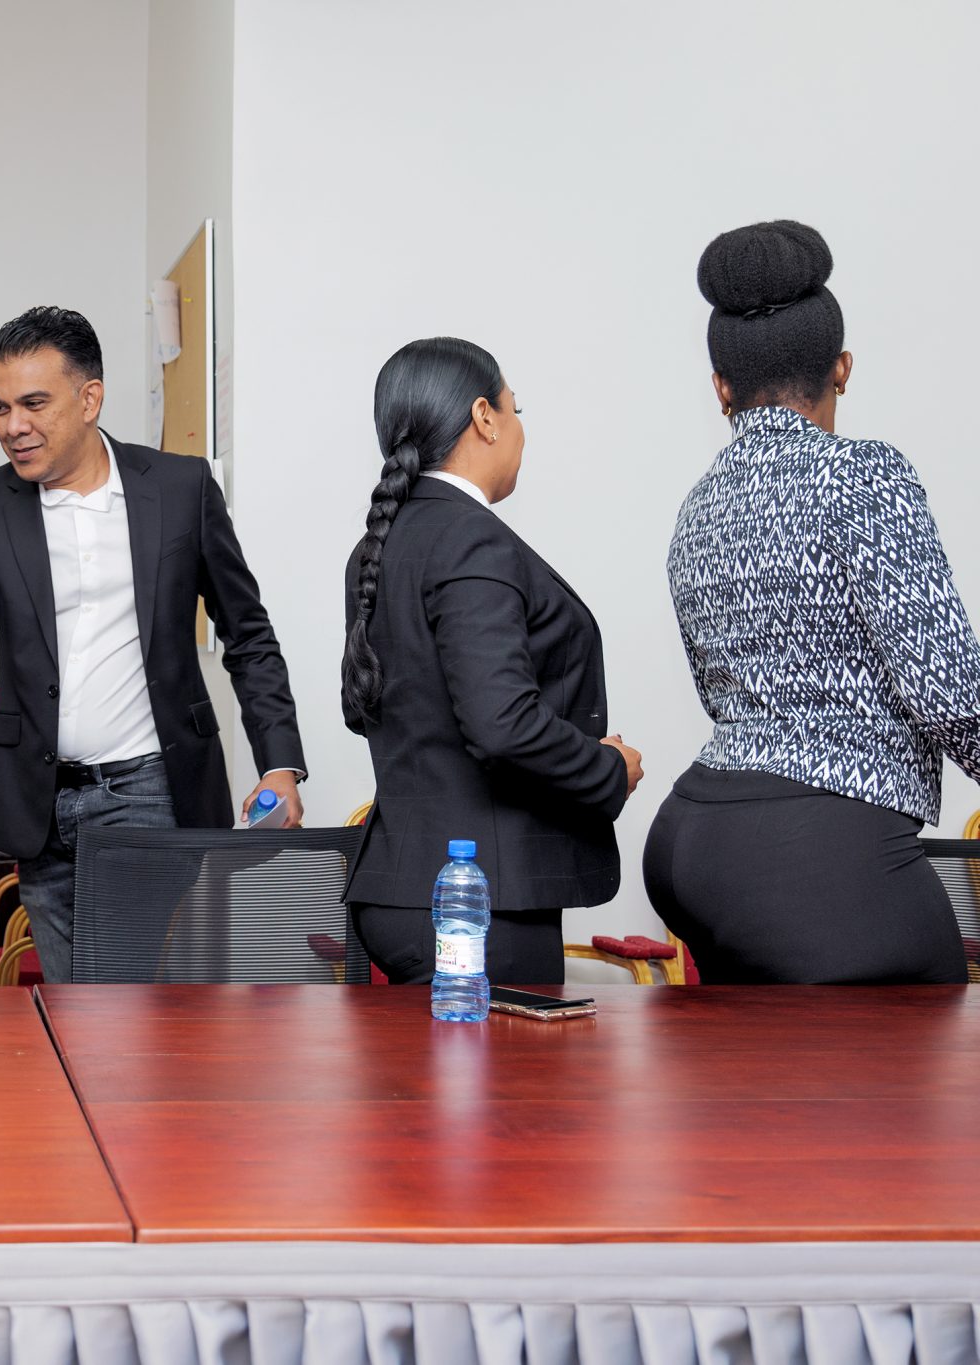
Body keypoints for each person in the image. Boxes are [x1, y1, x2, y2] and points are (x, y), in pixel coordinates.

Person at [0, 306, 307, 983]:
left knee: (123, 999)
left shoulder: (181, 489)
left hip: (149, 790)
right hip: (37, 800)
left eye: (34, 403)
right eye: (1, 407)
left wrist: (280, 765)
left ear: (90, 398)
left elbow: (247, 633)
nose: (13, 426)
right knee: (74, 995)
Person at [646, 220, 980, 984]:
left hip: (694, 841)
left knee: (768, 1062)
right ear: (842, 367)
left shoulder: (699, 506)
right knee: (942, 1045)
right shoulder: (862, 475)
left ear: (721, 387)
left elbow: (720, 692)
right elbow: (951, 692)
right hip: (817, 848)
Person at [341, 338, 642, 985]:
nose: (519, 427)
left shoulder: (378, 547)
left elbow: (405, 715)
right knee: (501, 1059)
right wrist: (607, 768)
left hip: (399, 888)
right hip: (478, 903)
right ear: (484, 417)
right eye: (515, 408)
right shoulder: (470, 539)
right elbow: (500, 724)